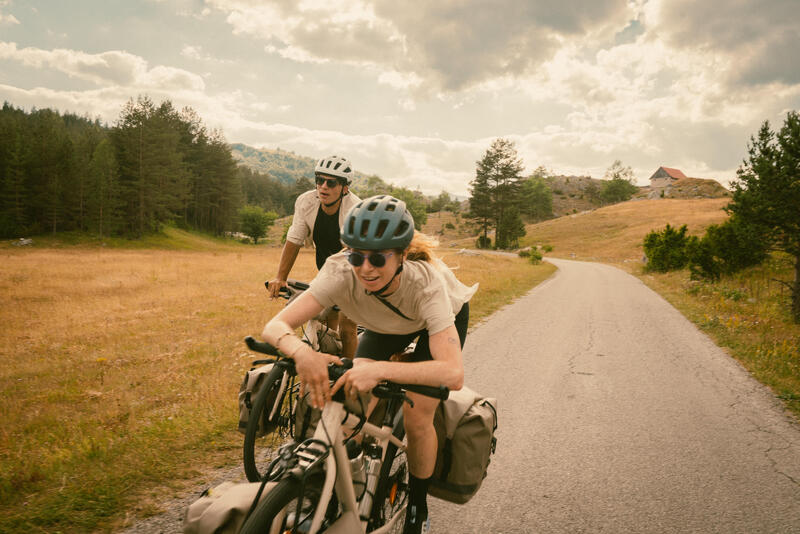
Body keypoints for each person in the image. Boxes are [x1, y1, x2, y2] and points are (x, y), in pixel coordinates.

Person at [261, 194, 477, 534]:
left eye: (377, 258)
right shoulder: (338, 271)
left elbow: (452, 372)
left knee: (417, 414)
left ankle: (417, 506)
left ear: (402, 255)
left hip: (434, 320)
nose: (365, 268)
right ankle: (344, 489)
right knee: (350, 404)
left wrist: (381, 369)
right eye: (357, 256)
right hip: (383, 325)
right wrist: (303, 354)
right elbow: (275, 326)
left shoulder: (426, 283)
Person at [268, 154, 361, 356]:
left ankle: (348, 383)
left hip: (354, 272)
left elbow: (355, 254)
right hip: (326, 269)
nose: (323, 187)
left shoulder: (355, 210)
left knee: (347, 330)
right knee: (326, 325)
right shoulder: (306, 202)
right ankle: (326, 370)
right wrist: (280, 277)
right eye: (319, 180)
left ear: (345, 187)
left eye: (331, 182)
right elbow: (294, 240)